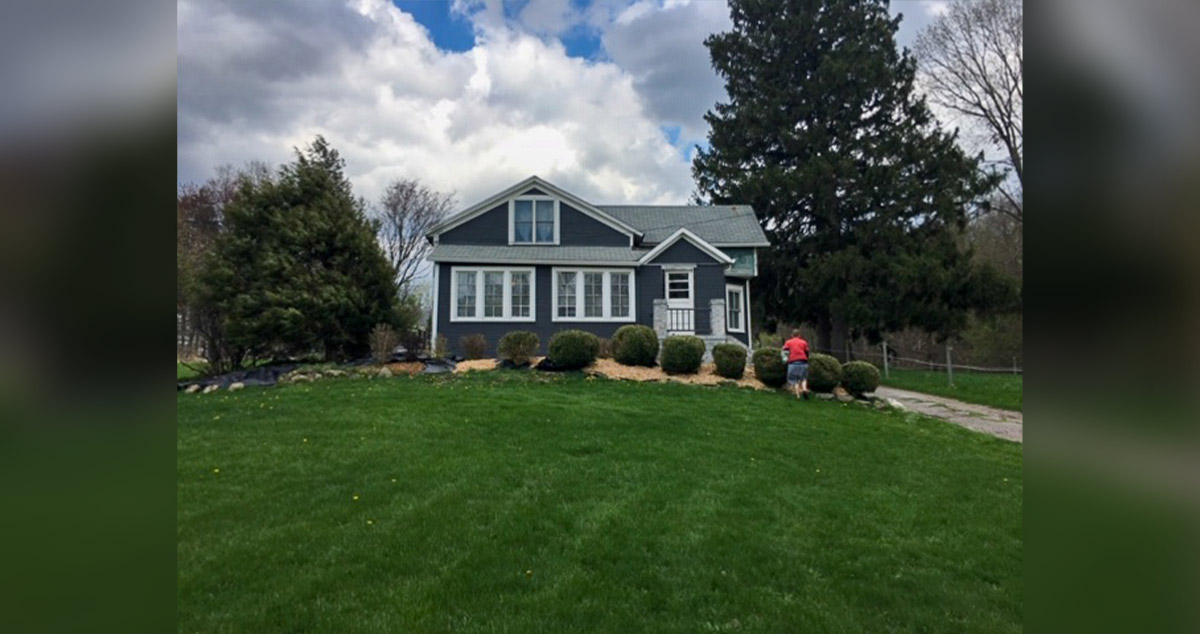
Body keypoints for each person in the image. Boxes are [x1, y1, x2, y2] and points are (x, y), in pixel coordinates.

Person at [782, 329, 810, 399]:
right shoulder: (804, 342)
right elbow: (807, 352)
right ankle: (804, 389)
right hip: (803, 361)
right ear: (799, 335)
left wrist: (785, 360)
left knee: (795, 380)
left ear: (792, 335)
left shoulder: (788, 342)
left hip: (792, 362)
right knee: (803, 378)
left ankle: (797, 395)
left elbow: (785, 351)